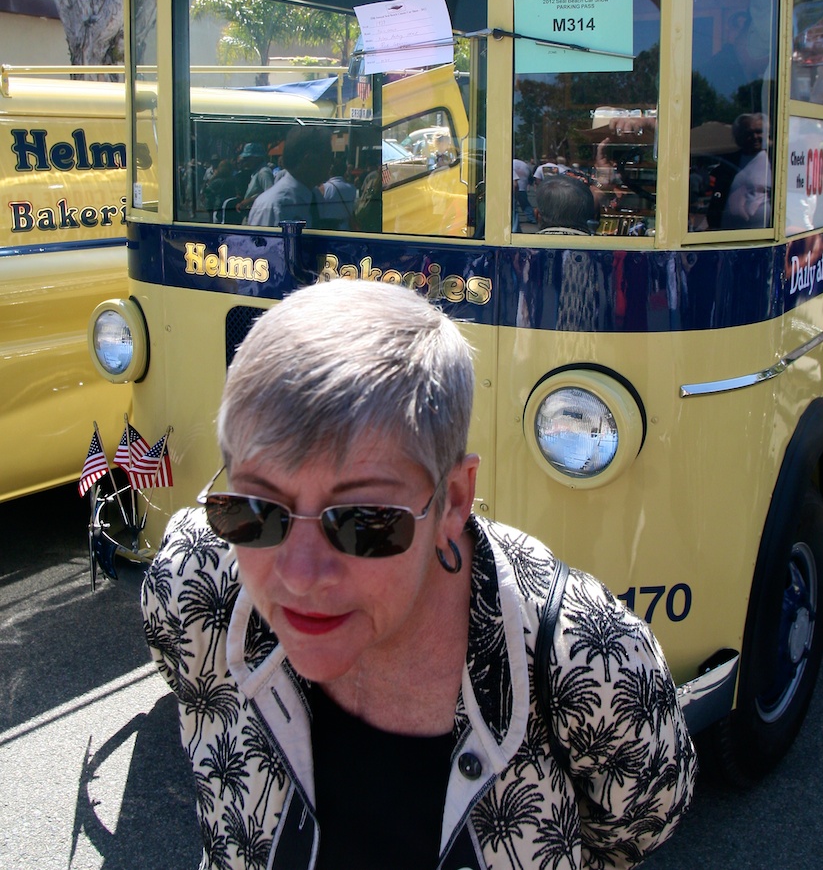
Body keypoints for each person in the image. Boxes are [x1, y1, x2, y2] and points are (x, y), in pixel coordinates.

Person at [142, 282, 696, 870]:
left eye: (364, 520)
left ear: (454, 499)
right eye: (255, 510)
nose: (301, 575)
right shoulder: (195, 588)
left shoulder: (589, 660)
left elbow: (637, 824)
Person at [247, 125, 332, 228]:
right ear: (309, 159)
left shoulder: (315, 195)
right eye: (327, 156)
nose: (330, 164)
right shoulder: (274, 206)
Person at [235, 142, 274, 219]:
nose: (245, 161)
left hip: (259, 215)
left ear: (257, 158)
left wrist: (248, 201)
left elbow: (270, 194)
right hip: (252, 213)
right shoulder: (256, 172)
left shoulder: (263, 172)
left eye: (247, 158)